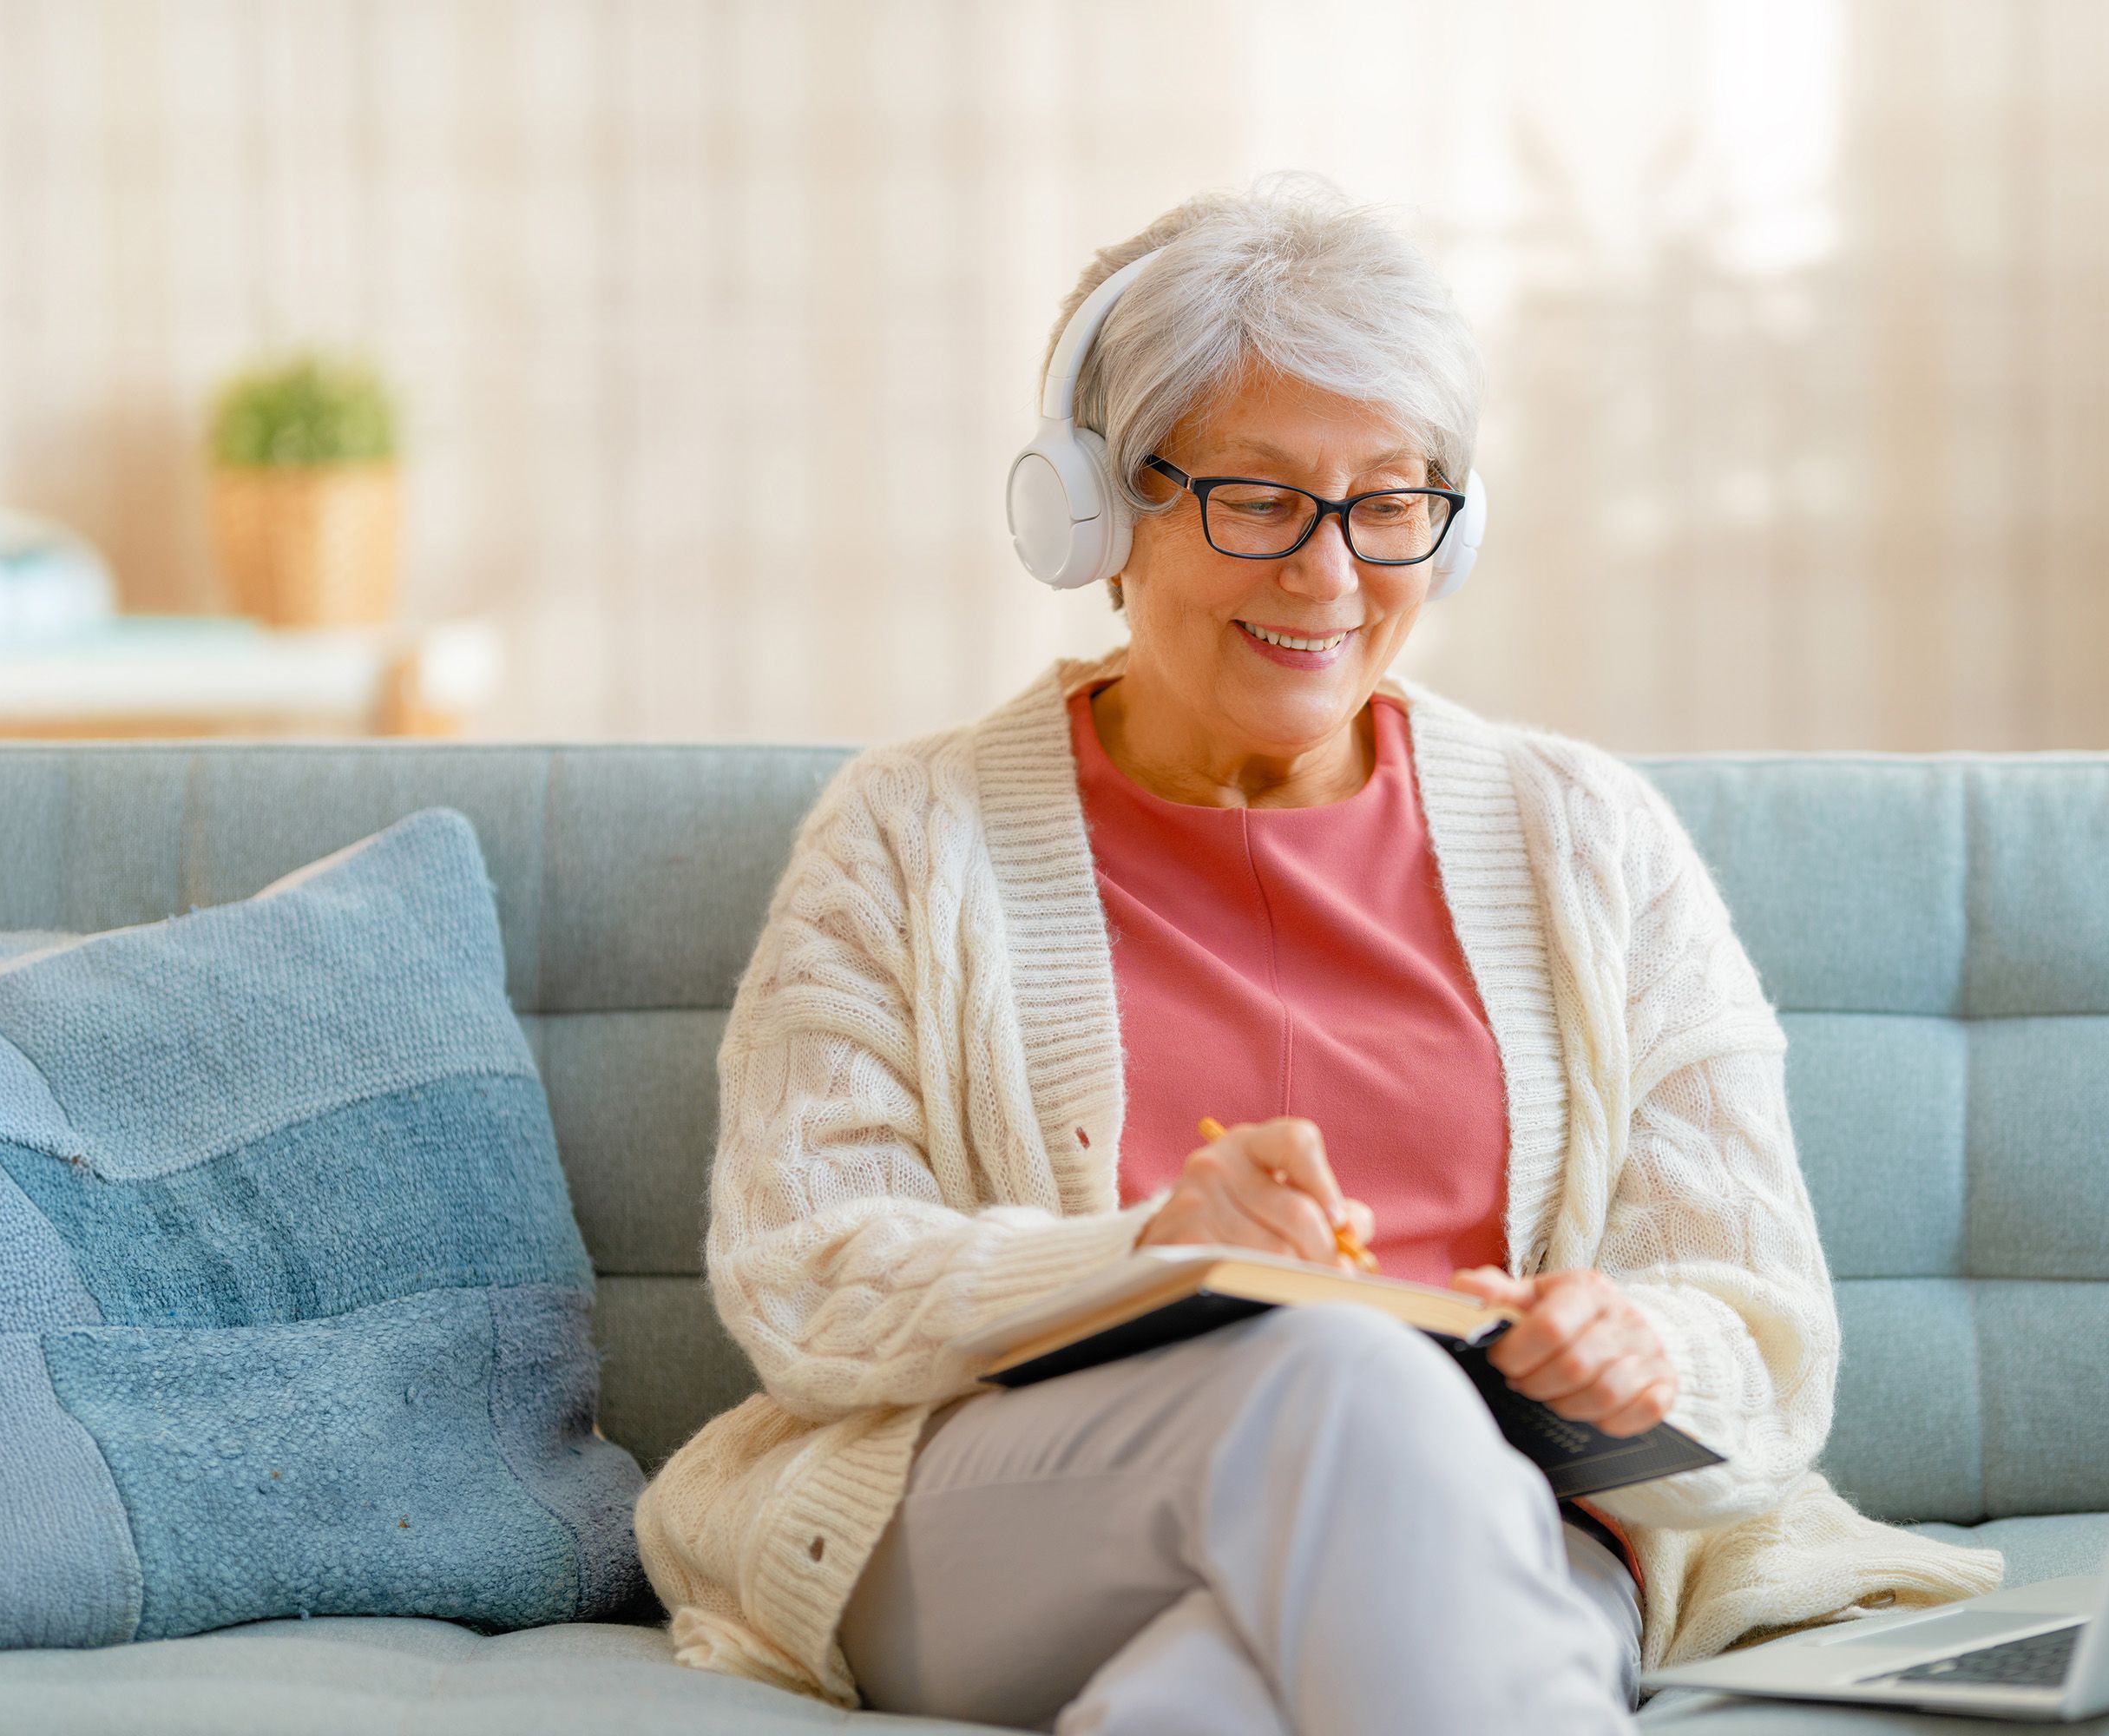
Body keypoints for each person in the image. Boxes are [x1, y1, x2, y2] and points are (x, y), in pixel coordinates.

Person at [634, 174, 2000, 1734]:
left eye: (1391, 499)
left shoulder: (1590, 839)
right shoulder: (907, 835)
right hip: (1014, 1512)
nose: (1331, 574)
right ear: (1097, 513)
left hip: (1496, 1525)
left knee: (1203, 1703)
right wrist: (1144, 1251)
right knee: (1348, 1382)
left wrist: (1641, 1348)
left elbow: (1757, 1317)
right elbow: (810, 1278)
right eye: (1260, 499)